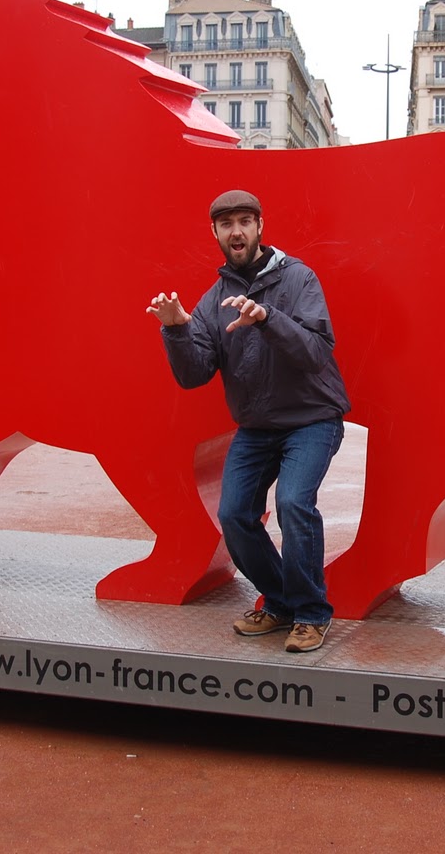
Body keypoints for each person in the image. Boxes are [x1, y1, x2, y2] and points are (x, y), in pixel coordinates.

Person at [147, 190, 350, 653]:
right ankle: (281, 603)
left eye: (244, 221)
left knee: (294, 503)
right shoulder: (215, 297)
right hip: (258, 427)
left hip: (312, 419)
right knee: (235, 514)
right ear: (215, 233)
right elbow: (193, 374)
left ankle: (313, 614)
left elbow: (316, 352)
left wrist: (266, 318)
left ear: (260, 226)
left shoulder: (299, 278)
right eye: (226, 224)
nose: (235, 231)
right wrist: (176, 328)